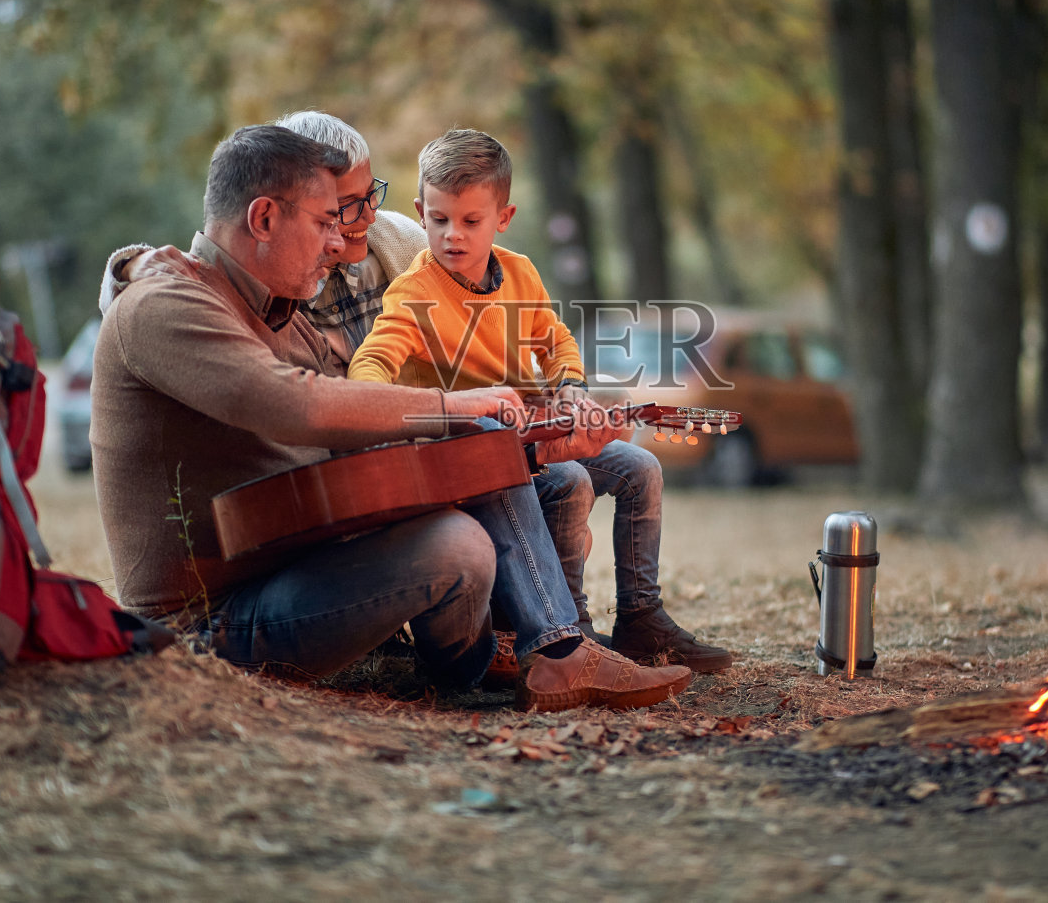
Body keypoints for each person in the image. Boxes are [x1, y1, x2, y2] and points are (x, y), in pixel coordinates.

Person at [90, 123, 691, 710]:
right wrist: (454, 406)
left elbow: (364, 438)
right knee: (458, 547)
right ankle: (517, 657)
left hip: (301, 562)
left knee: (507, 483)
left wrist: (533, 447)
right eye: (325, 222)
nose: (337, 242)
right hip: (209, 620)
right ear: (264, 218)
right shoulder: (167, 303)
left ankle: (549, 645)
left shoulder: (284, 314)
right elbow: (298, 404)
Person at [347, 129, 733, 673]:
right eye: (439, 219)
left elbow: (556, 342)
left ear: (503, 217)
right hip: (468, 458)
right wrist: (386, 406)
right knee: (570, 479)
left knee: (642, 468)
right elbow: (370, 363)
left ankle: (641, 617)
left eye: (471, 221)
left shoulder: (520, 273)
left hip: (529, 437)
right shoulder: (414, 293)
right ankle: (573, 630)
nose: (453, 235)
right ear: (420, 212)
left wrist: (571, 388)